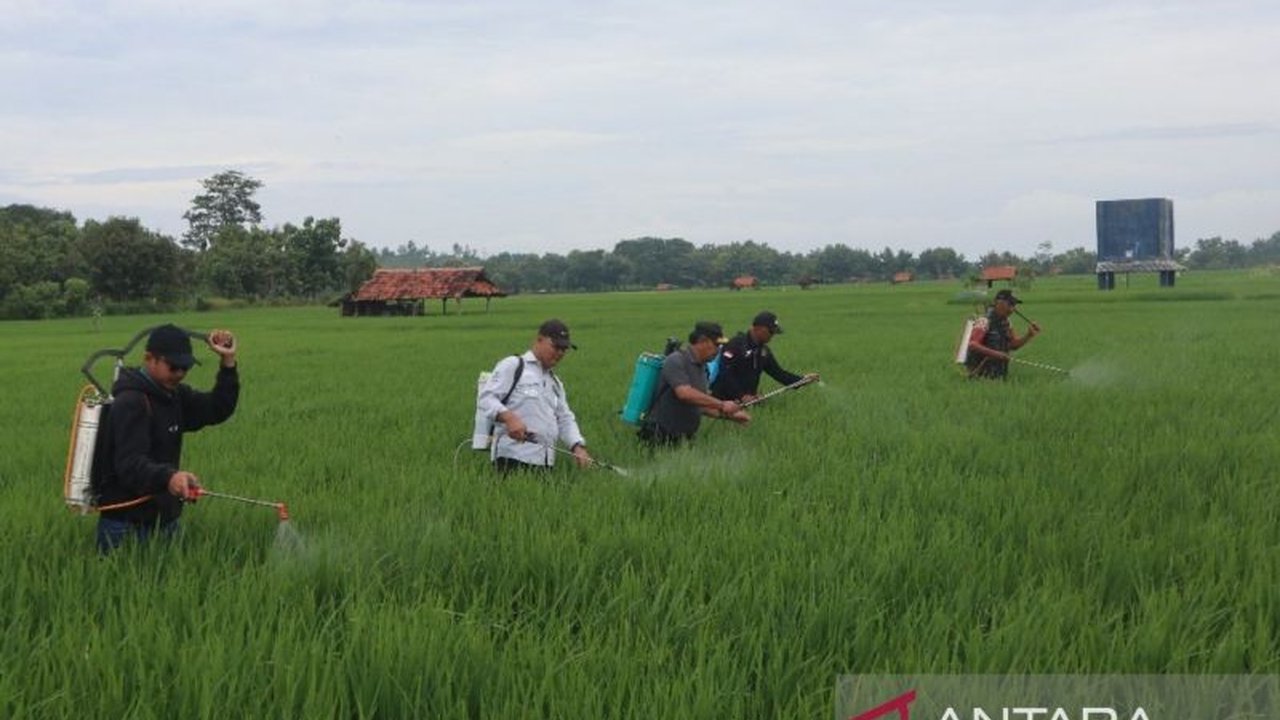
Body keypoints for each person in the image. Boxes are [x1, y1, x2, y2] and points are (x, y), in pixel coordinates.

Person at [93, 324, 240, 554]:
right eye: (173, 367)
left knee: (175, 573)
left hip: (165, 519)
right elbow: (129, 464)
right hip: (126, 525)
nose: (180, 373)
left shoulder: (174, 395)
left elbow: (217, 409)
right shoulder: (131, 401)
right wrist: (170, 477)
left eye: (185, 367)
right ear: (149, 359)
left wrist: (228, 362)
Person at [477, 319, 593, 473]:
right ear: (539, 340)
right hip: (511, 460)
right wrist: (508, 417)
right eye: (556, 347)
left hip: (545, 464)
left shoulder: (555, 383)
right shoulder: (513, 366)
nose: (560, 353)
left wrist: (577, 446)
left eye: (564, 349)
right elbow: (486, 399)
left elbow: (564, 418)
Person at [641, 321, 750, 445]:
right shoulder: (676, 360)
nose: (718, 350)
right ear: (703, 341)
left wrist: (731, 416)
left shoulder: (703, 368)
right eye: (716, 345)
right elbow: (685, 393)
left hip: (684, 438)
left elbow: (700, 405)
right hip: (660, 435)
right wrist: (722, 404)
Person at [710, 310, 819, 402]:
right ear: (758, 328)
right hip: (722, 401)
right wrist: (741, 396)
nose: (772, 336)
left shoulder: (763, 352)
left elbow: (778, 373)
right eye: (771, 332)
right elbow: (724, 373)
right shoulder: (735, 345)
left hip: (747, 402)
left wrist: (803, 380)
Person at [965, 289, 1041, 379]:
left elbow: (1013, 345)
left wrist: (1028, 335)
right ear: (998, 302)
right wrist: (996, 354)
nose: (1011, 309)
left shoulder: (1007, 323)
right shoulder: (983, 321)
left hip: (999, 374)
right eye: (1009, 304)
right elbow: (973, 344)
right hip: (979, 374)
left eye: (1014, 305)